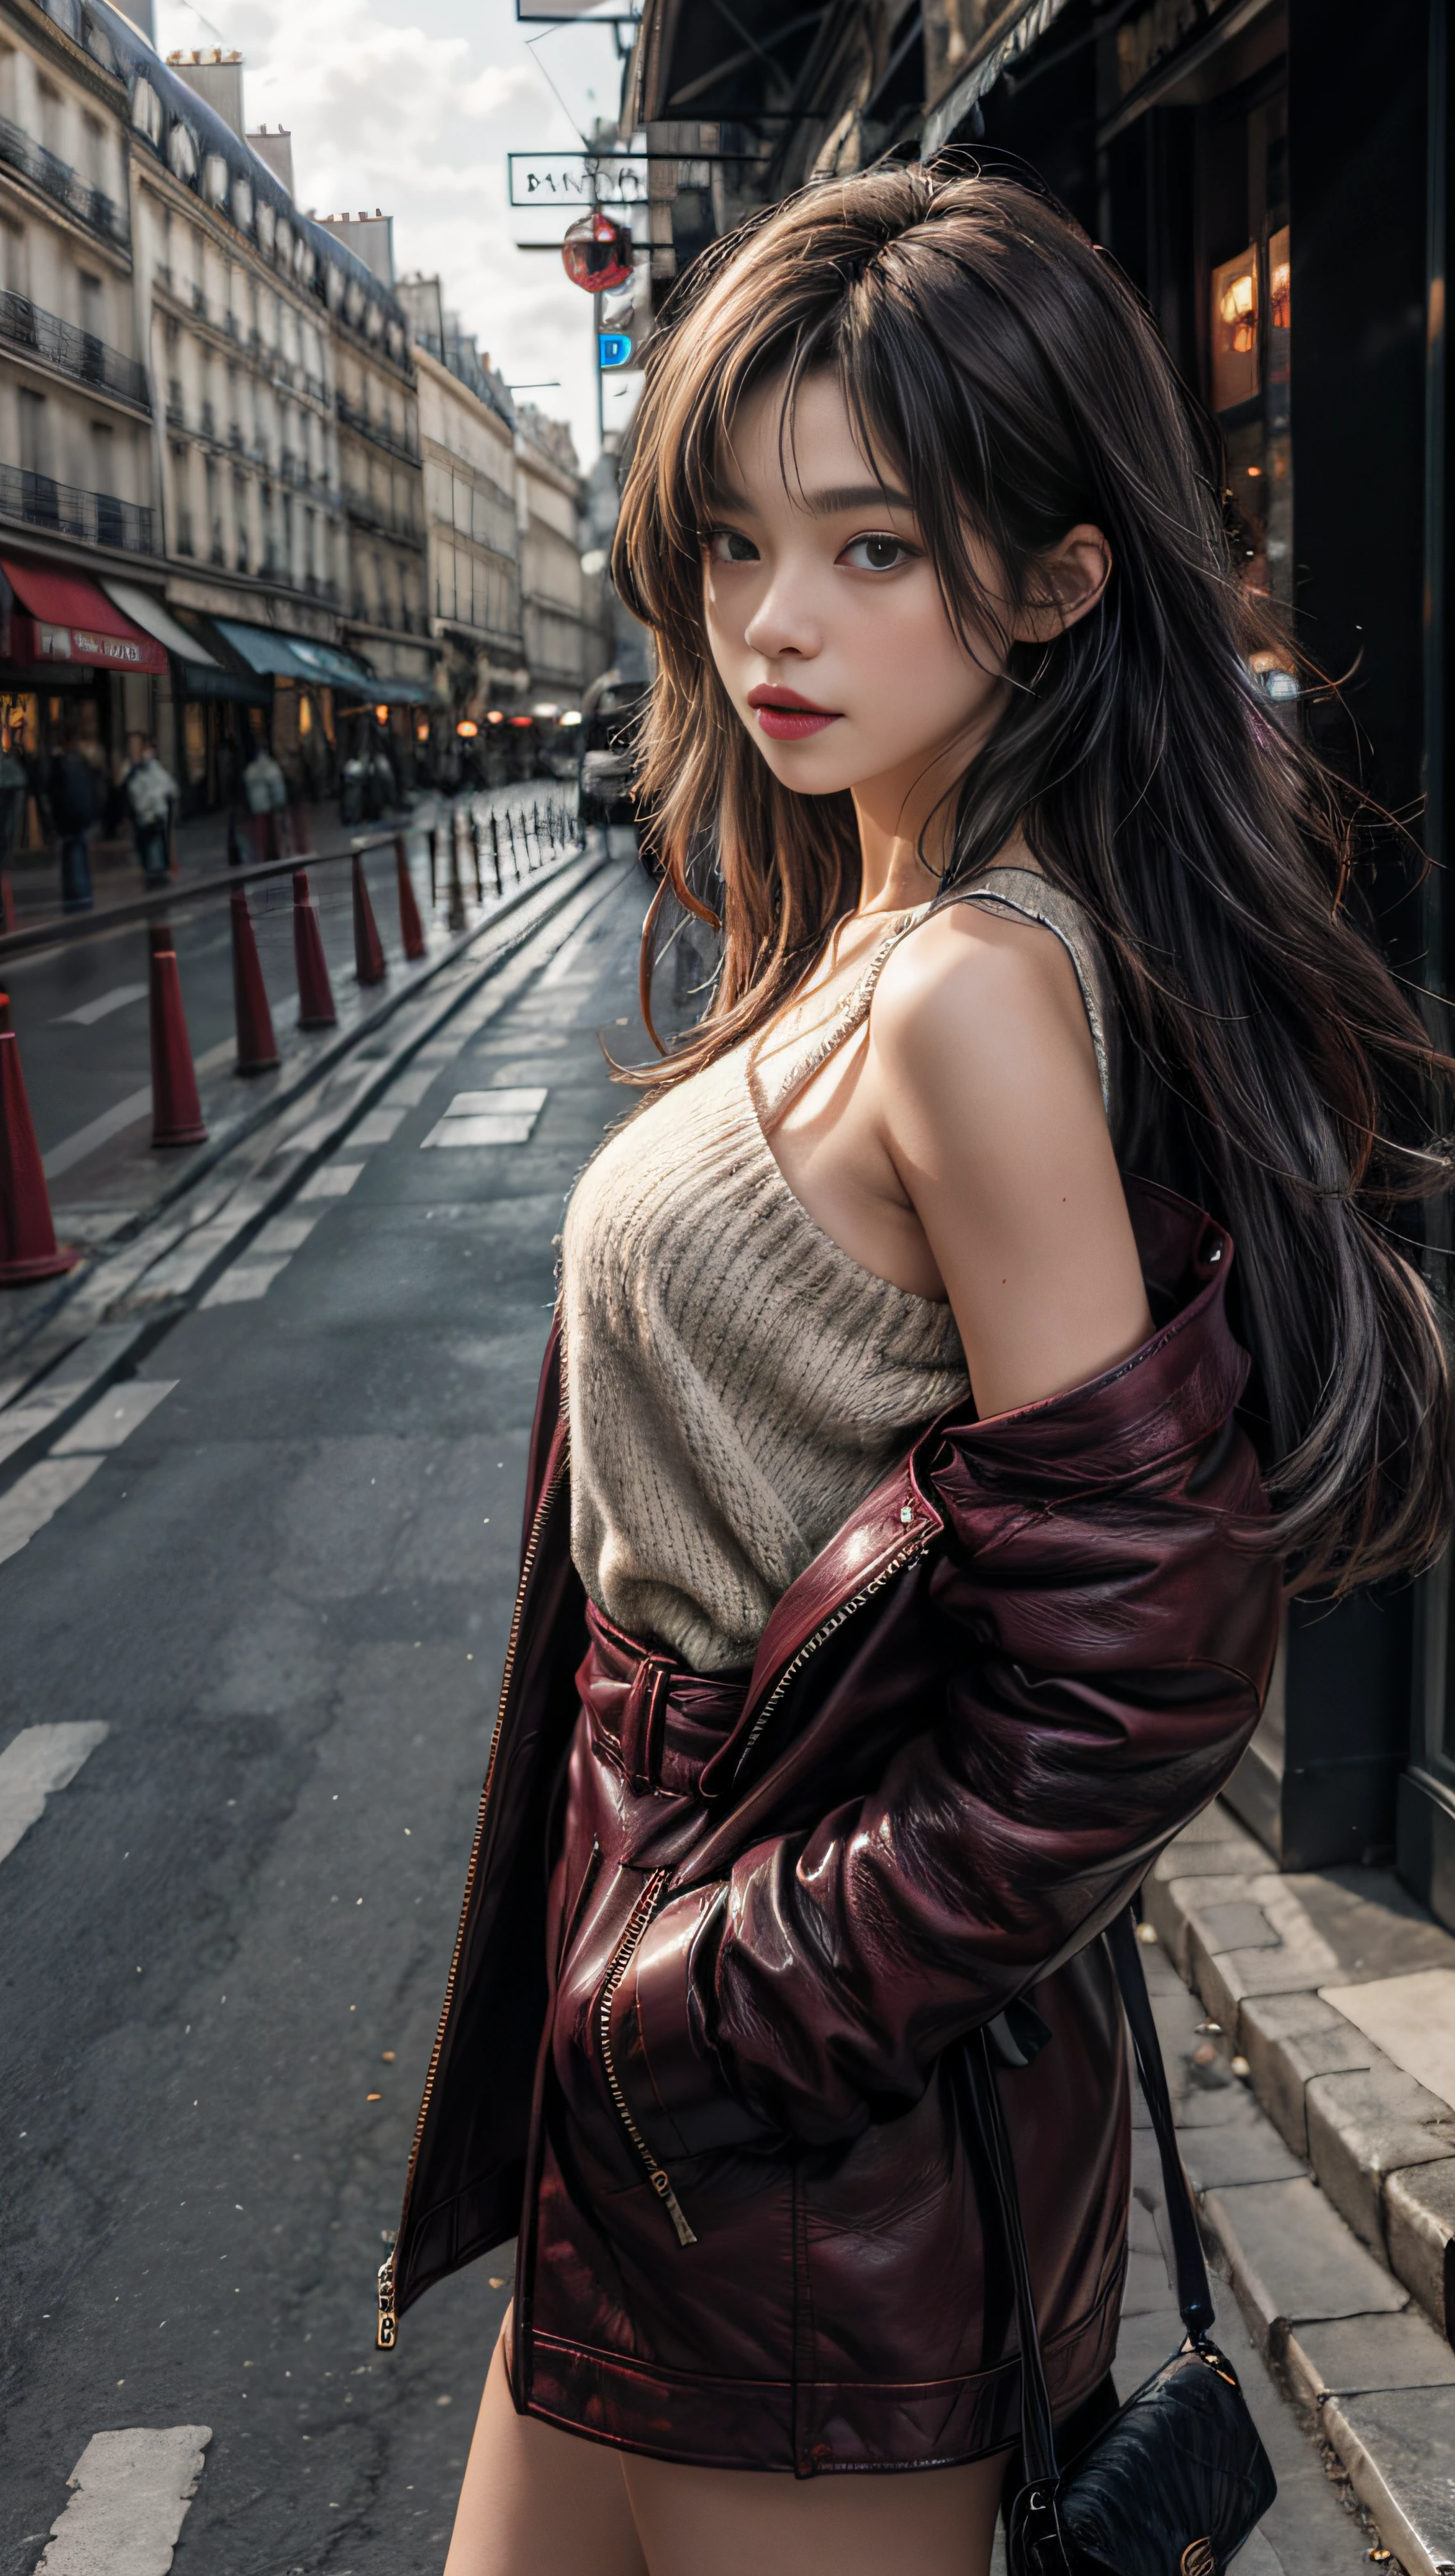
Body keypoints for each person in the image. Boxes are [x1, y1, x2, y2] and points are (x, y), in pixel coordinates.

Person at [380, 168, 1454, 2576]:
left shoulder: (971, 990)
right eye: (738, 540)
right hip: (664, 2022)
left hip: (791, 2113)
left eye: (874, 547)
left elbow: (1141, 1674)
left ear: (1062, 576)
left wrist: (712, 2017)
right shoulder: (858, 919)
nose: (775, 619)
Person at [48, 718, 102, 911]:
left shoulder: (63, 764)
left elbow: (58, 795)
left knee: (73, 858)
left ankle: (77, 901)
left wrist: (58, 821)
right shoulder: (81, 761)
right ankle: (82, 898)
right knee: (79, 855)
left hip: (70, 820)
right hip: (81, 819)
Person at [122, 731, 177, 890]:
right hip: (142, 819)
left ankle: (156, 879)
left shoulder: (151, 768)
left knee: (153, 856)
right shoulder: (132, 770)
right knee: (146, 854)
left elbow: (168, 788)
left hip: (151, 819)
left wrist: (153, 804)